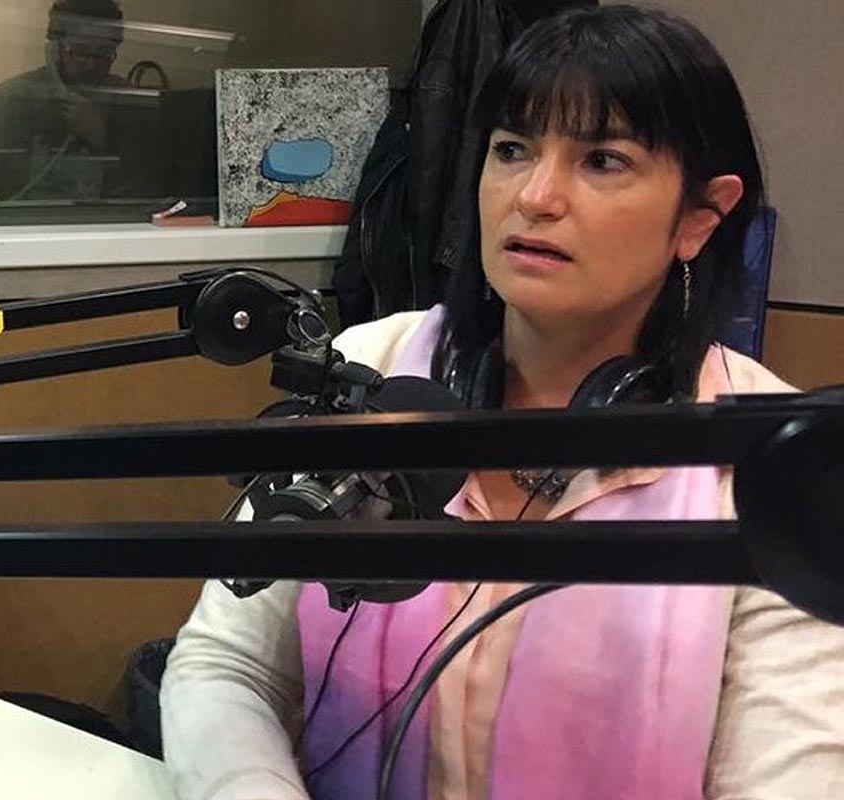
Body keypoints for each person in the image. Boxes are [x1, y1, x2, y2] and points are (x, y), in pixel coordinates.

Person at [160, 6, 844, 800]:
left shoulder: (772, 466)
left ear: (700, 217)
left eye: (604, 160)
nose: (536, 196)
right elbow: (226, 666)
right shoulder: (368, 370)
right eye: (512, 149)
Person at [0, 0, 136, 201]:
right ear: (55, 49)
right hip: (21, 218)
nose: (91, 65)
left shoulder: (127, 102)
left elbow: (143, 188)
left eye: (104, 54)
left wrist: (102, 139)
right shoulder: (13, 99)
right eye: (80, 52)